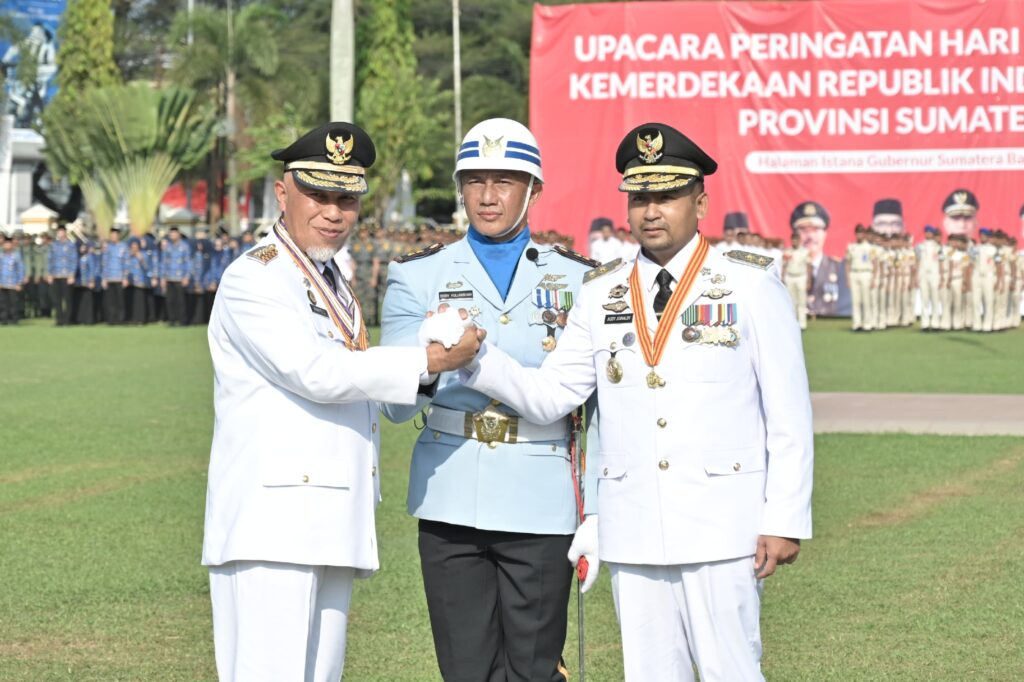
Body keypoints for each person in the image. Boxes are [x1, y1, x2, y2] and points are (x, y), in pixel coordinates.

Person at [461, 122, 813, 680]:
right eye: (640, 196)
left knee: (732, 671)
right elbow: (552, 393)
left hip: (723, 525)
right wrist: (475, 358)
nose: (652, 210)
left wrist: (785, 517)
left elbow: (788, 413)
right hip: (635, 528)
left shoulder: (748, 285)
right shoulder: (602, 291)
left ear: (700, 201)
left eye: (668, 195)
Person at [202, 121, 483, 682]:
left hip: (328, 514)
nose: (333, 211)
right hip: (274, 521)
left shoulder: (327, 277)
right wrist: (425, 363)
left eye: (347, 199)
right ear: (283, 193)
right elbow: (315, 373)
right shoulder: (255, 278)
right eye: (319, 195)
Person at [379, 117, 598, 682]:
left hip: (543, 495)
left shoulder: (580, 281)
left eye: (505, 180)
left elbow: (596, 413)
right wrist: (432, 366)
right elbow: (395, 404)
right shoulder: (417, 276)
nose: (488, 196)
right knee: (466, 669)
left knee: (534, 668)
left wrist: (595, 507)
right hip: (451, 491)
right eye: (474, 181)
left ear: (534, 190)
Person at [793, 201, 851, 317]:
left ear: (825, 233)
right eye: (803, 229)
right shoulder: (785, 262)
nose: (810, 236)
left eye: (815, 229)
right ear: (795, 234)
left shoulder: (838, 267)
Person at [845, 225, 876, 331]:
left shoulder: (869, 247)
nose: (859, 235)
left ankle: (867, 324)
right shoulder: (851, 247)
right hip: (854, 273)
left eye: (861, 233)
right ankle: (857, 324)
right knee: (855, 300)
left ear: (864, 234)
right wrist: (848, 278)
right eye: (857, 233)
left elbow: (875, 263)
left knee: (866, 300)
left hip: (866, 273)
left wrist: (874, 279)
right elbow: (848, 263)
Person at [160, 226, 192, 326]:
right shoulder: (168, 247)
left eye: (174, 233)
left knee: (181, 301)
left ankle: (182, 320)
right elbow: (164, 263)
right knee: (170, 300)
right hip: (169, 277)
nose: (172, 235)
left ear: (178, 234)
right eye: (171, 234)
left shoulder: (184, 246)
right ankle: (172, 320)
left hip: (180, 277)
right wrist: (163, 277)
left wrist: (187, 276)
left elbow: (188, 262)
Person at [46, 225, 77, 325]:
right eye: (58, 232)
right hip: (56, 275)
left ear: (65, 232)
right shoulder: (54, 245)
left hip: (66, 276)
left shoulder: (71, 245)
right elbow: (50, 260)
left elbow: (74, 260)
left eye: (61, 231)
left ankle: (67, 320)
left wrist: (72, 274)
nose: (60, 233)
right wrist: (49, 274)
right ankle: (59, 320)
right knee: (56, 299)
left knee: (67, 299)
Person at [782, 229, 811, 329]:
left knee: (802, 301)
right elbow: (784, 266)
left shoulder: (805, 251)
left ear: (799, 240)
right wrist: (782, 277)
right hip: (790, 276)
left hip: (801, 277)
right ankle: (793, 322)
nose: (794, 241)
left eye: (796, 239)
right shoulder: (787, 251)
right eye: (793, 240)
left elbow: (809, 266)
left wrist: (809, 280)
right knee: (792, 301)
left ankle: (802, 324)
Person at [916, 226, 944, 331]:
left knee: (935, 299)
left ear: (933, 234)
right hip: (923, 274)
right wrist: (916, 276)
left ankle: (936, 323)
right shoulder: (920, 246)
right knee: (924, 299)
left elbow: (941, 262)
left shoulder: (938, 247)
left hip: (934, 274)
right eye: (926, 232)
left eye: (930, 233)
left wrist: (941, 277)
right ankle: (925, 323)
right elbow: (917, 261)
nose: (928, 234)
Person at [100, 228, 128, 324]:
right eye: (111, 235)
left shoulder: (123, 247)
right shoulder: (107, 247)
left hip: (120, 278)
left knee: (120, 300)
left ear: (118, 236)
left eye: (115, 235)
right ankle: (111, 319)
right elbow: (104, 263)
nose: (113, 237)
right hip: (110, 278)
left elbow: (126, 263)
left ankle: (120, 319)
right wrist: (104, 278)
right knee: (110, 301)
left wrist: (125, 277)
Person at [0, 235, 27, 324]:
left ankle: (14, 319)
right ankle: (4, 319)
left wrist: (19, 283)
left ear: (12, 245)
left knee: (13, 303)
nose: (6, 246)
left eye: (8, 244)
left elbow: (20, 269)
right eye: (5, 244)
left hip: (13, 283)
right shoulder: (1, 255)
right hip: (2, 283)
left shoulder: (16, 256)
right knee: (3, 303)